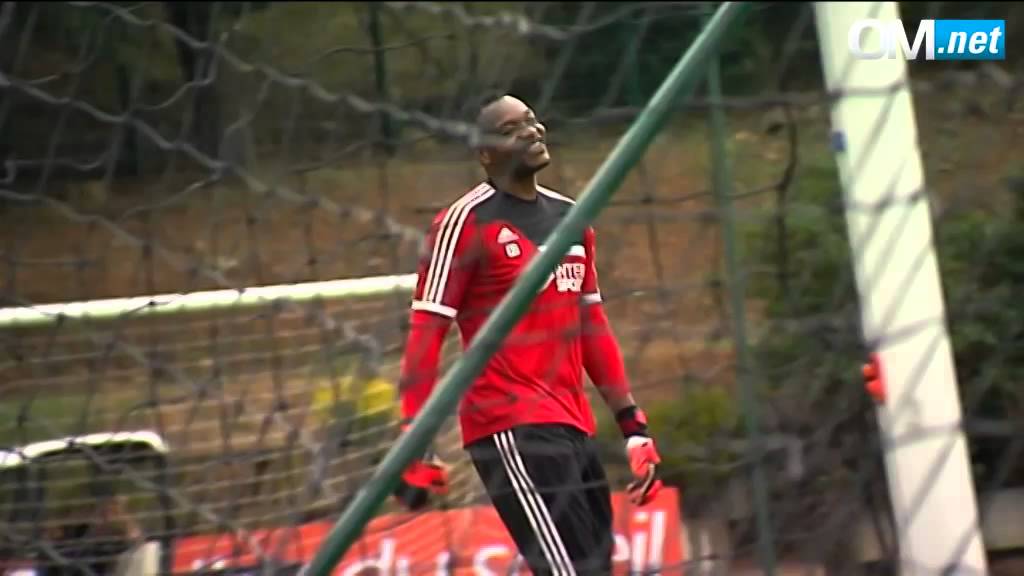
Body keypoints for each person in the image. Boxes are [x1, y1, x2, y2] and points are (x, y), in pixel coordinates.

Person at [393, 93, 663, 575]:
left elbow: (593, 328)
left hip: (574, 426)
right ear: (485, 154)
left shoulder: (572, 218)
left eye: (534, 121)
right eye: (513, 128)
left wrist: (633, 428)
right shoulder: (464, 223)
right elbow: (426, 330)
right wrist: (414, 434)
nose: (532, 131)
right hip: (510, 427)